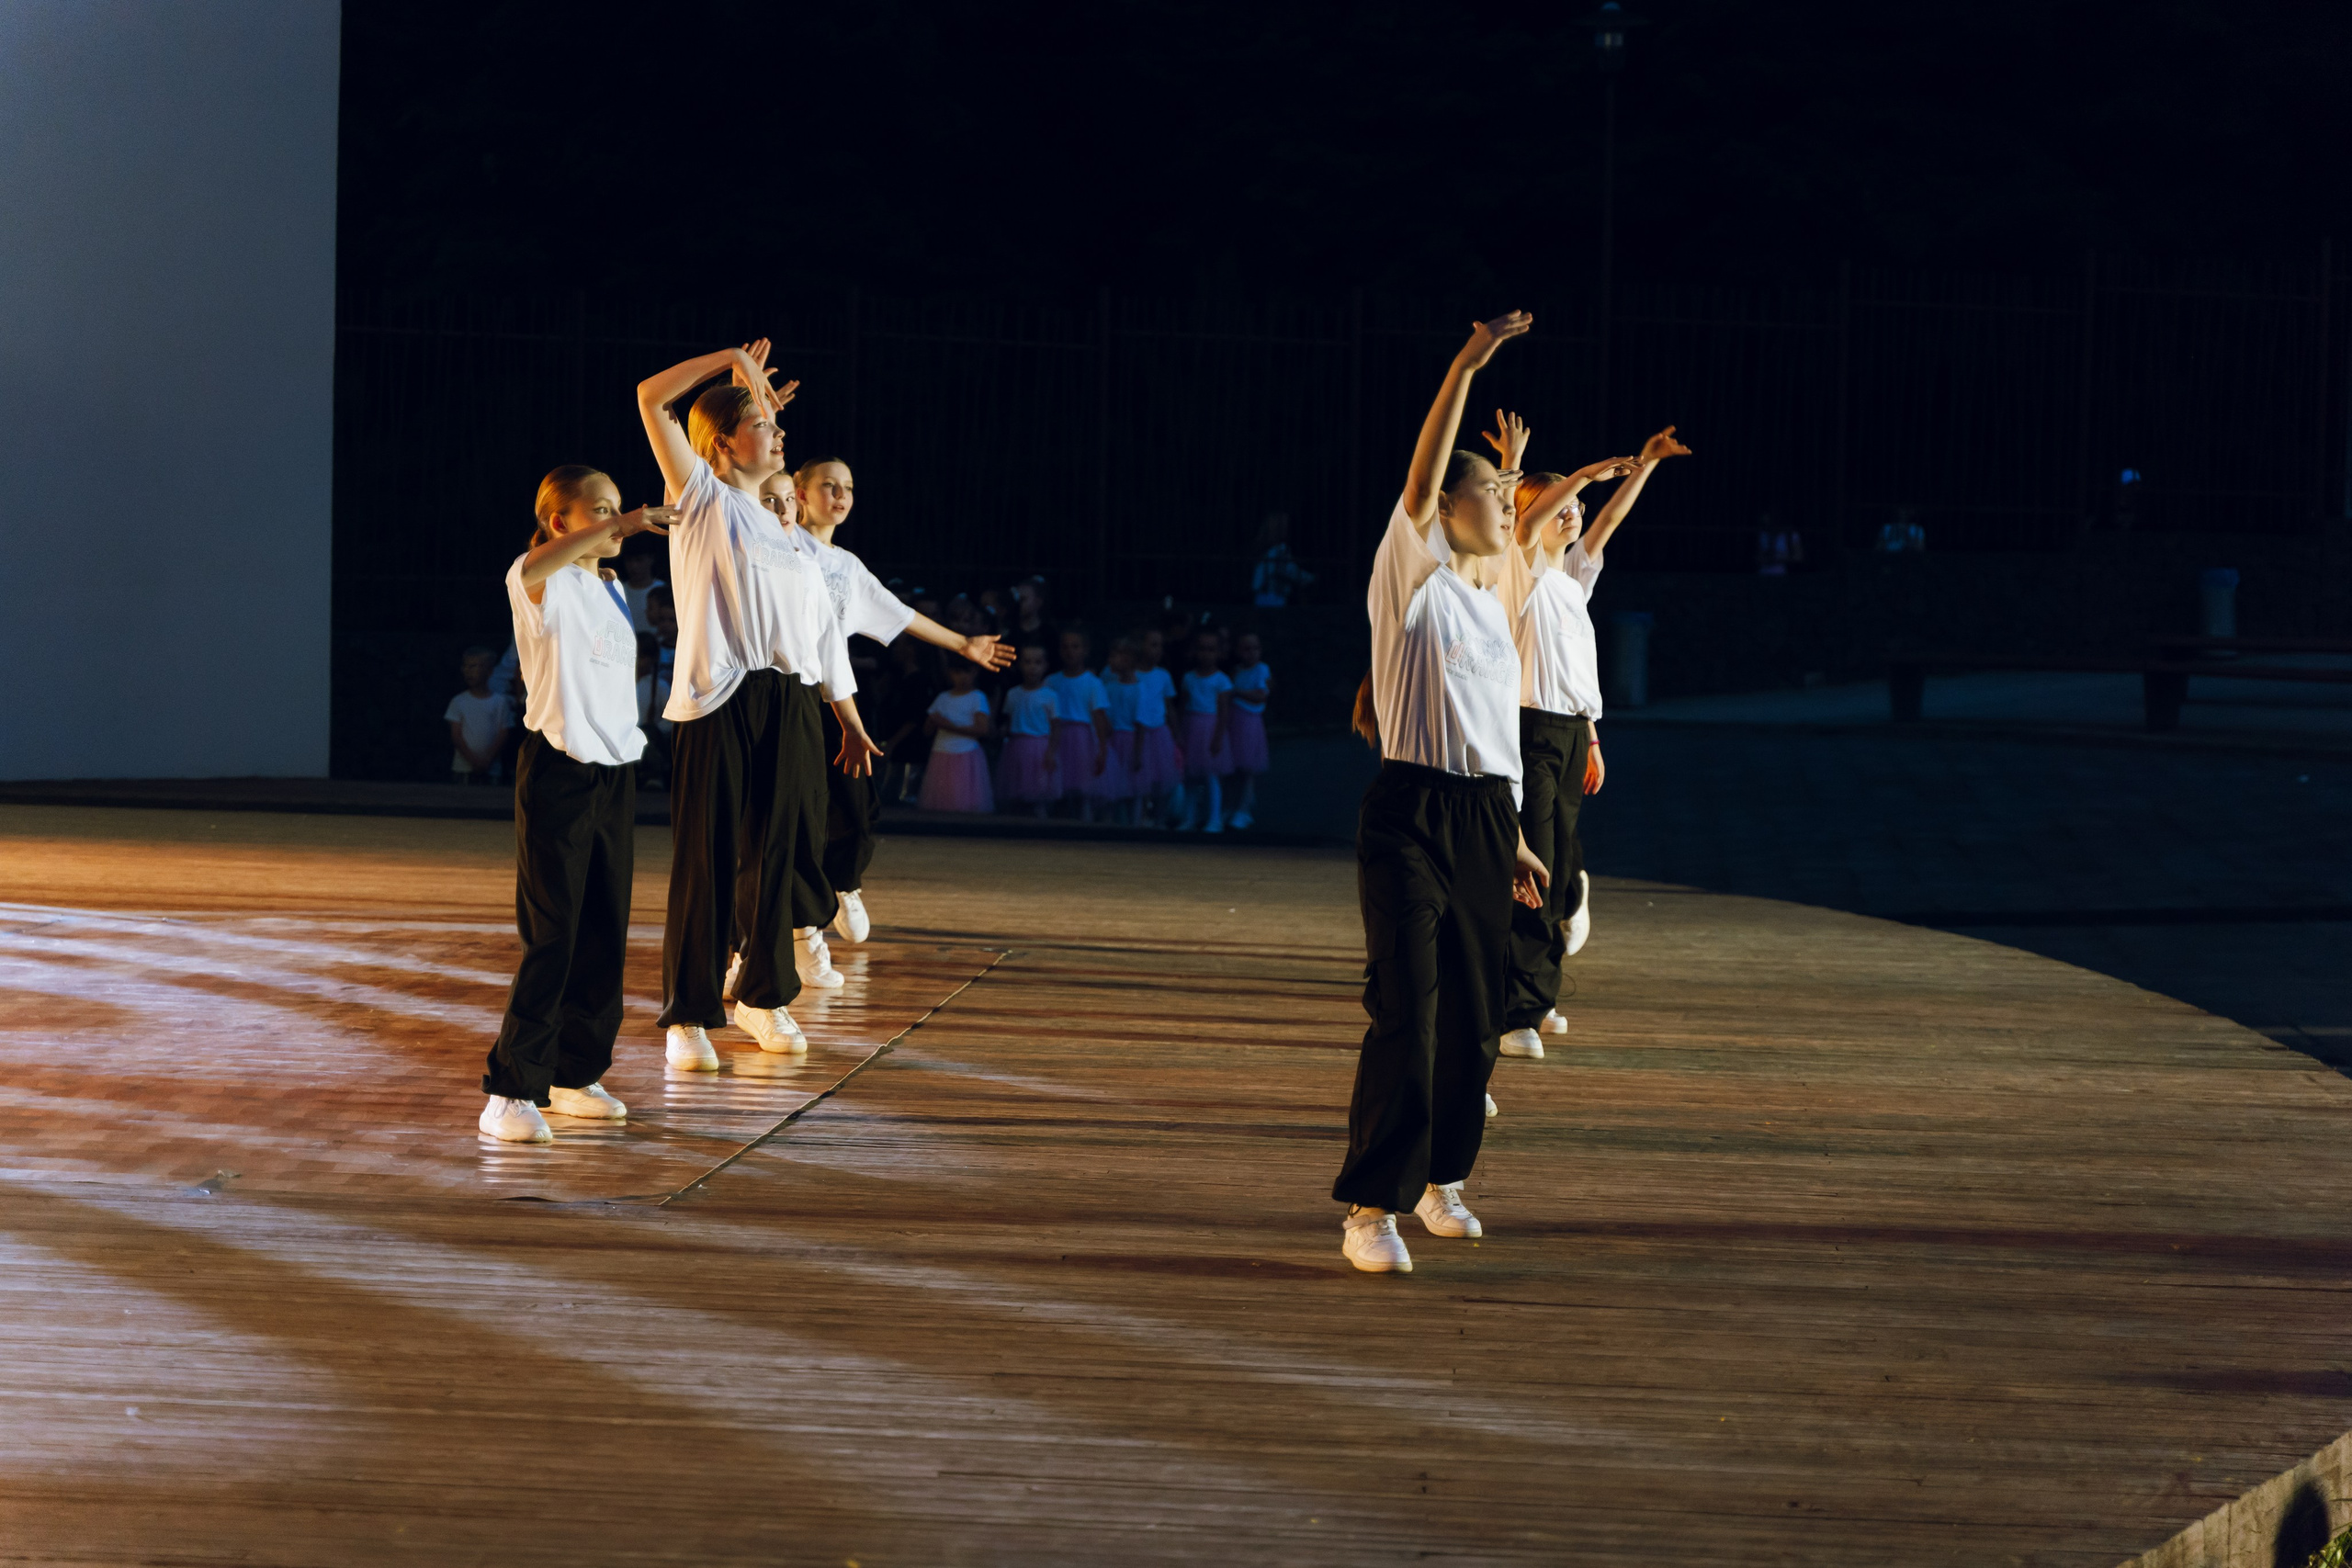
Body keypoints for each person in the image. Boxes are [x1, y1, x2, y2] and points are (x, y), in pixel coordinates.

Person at [1334, 311, 1549, 1276]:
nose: (1506, 501)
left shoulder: (1482, 604)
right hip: (1408, 815)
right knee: (1408, 1008)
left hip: (1483, 819)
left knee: (1474, 1014)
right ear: (1447, 508)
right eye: (1492, 490)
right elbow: (1420, 479)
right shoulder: (1408, 577)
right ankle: (1370, 1204)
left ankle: (1440, 1181)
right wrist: (1464, 361)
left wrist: (1513, 837)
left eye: (1508, 490)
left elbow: (1493, 734)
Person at [634, 343, 880, 1071]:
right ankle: (689, 1010)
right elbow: (652, 397)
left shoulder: (790, 536)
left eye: (776, 424)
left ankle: (763, 995)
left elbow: (822, 638)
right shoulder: (705, 499)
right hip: (724, 696)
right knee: (707, 858)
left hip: (793, 702)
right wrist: (732, 361)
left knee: (780, 855)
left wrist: (846, 717)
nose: (778, 433)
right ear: (719, 443)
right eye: (762, 423)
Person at [479, 466, 676, 1144]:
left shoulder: (611, 585)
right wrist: (621, 525)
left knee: (603, 929)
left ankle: (573, 1071)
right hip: (558, 770)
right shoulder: (537, 577)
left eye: (618, 509)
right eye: (599, 509)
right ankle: (510, 1089)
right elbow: (537, 564)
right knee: (553, 931)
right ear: (559, 520)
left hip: (615, 775)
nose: (617, 518)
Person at [1488, 421, 1687, 1061]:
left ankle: (1541, 994)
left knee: (1563, 861)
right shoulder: (1517, 570)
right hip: (1529, 728)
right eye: (1561, 507)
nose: (1574, 513)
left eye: (1575, 506)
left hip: (1574, 730)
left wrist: (1647, 464)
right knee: (1537, 864)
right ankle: (1517, 1010)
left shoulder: (1573, 580)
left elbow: (1607, 523)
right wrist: (1572, 475)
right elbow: (1525, 521)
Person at [776, 456, 1014, 947]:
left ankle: (846, 883)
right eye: (828, 485)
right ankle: (802, 930)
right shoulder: (781, 545)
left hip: (835, 695)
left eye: (848, 487)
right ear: (798, 493)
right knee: (797, 811)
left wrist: (963, 643)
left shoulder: (847, 565)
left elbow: (900, 613)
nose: (840, 496)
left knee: (859, 805)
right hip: (785, 694)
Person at [1044, 628, 1113, 823]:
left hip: (1082, 740)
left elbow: (1099, 716)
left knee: (1084, 793)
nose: (1070, 652)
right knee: (1059, 791)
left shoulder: (1093, 683)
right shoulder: (1051, 681)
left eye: (1075, 647)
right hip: (1058, 738)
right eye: (1065, 647)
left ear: (1085, 650)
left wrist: (1101, 748)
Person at [917, 655, 995, 812]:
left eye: (966, 672)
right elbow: (927, 730)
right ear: (950, 673)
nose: (962, 677)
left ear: (974, 673)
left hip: (967, 754)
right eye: (957, 673)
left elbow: (982, 729)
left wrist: (948, 725)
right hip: (941, 753)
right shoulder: (943, 697)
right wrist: (933, 721)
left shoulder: (977, 697)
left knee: (965, 803)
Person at [1177, 628, 1234, 832]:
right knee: (1191, 778)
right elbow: (1183, 707)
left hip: (1210, 729)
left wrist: (1218, 737)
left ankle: (1215, 818)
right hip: (1192, 728)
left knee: (1211, 777)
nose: (1206, 654)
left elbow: (1224, 712)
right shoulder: (1188, 678)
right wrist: (1180, 732)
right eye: (1202, 649)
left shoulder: (1222, 680)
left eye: (1211, 649)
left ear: (1218, 652)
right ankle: (1189, 817)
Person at [997, 643, 1060, 818]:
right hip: (1016, 748)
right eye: (1028, 662)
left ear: (1045, 666)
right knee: (1016, 796)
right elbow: (1009, 721)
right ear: (1020, 665)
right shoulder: (1013, 694)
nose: (1032, 667)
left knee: (1039, 796)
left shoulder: (1050, 695)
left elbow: (1056, 727)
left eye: (1037, 662)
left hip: (1039, 749)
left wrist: (1051, 752)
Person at [1128, 626, 1183, 827]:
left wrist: (1177, 734)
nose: (1157, 649)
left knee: (1161, 781)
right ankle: (1141, 816)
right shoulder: (1131, 673)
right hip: (1137, 733)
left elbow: (1170, 707)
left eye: (1160, 645)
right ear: (1140, 645)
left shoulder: (1163, 675)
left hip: (1159, 733)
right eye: (1153, 644)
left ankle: (1159, 819)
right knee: (1140, 778)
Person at [1225, 629, 1272, 829]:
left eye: (1255, 648)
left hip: (1250, 724)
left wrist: (1236, 692)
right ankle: (1231, 807)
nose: (1251, 653)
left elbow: (1261, 696)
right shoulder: (1236, 671)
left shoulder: (1262, 669)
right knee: (1233, 770)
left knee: (1248, 771)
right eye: (1246, 649)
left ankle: (1244, 810)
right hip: (1234, 722)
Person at [447, 647, 511, 784]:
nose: (468, 671)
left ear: (489, 671)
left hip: (492, 769)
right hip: (463, 769)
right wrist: (473, 761)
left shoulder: (500, 702)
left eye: (474, 666)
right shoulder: (458, 701)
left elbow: (503, 734)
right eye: (466, 666)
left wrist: (488, 760)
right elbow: (456, 736)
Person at [1097, 636, 1143, 824]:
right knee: (1112, 788)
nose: (1110, 661)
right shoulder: (1108, 686)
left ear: (1128, 659)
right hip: (1112, 742)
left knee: (1135, 789)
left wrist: (1138, 753)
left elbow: (1141, 724)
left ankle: (1136, 826)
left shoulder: (1140, 689)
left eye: (1115, 656)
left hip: (1130, 742)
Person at [1250, 511, 1315, 606]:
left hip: (1262, 597)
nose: (1288, 529)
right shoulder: (1278, 551)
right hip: (1274, 598)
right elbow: (1290, 570)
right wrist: (1311, 578)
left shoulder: (1267, 550)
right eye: (1285, 525)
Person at [617, 541, 666, 632]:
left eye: (639, 560)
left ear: (651, 559)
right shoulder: (619, 590)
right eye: (629, 560)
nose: (633, 566)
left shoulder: (664, 591)